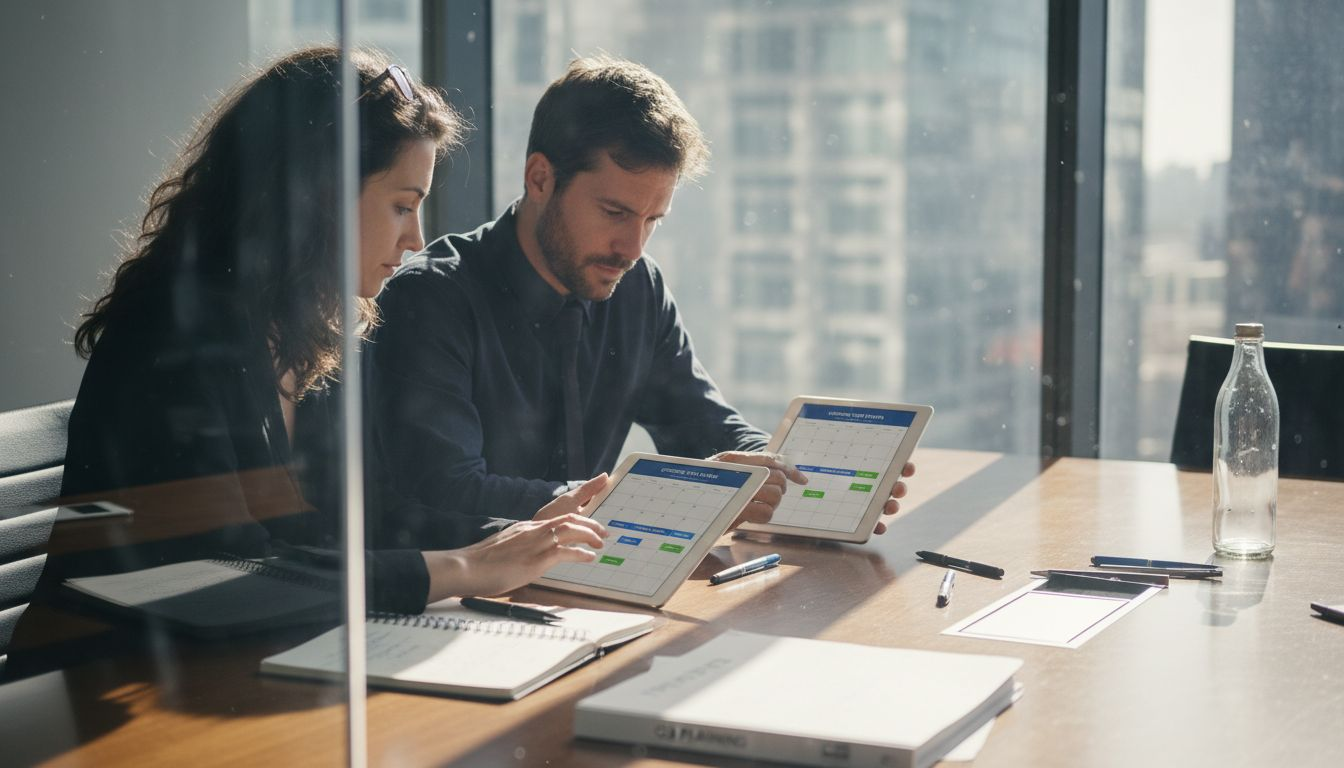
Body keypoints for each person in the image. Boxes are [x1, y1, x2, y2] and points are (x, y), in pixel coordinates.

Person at [60, 46, 609, 615]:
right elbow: (227, 573)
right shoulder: (172, 339)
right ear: (315, 199)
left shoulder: (308, 335)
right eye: (402, 206)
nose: (416, 240)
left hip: (247, 660)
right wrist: (466, 567)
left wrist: (518, 534)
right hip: (111, 668)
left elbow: (373, 514)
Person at [368, 55, 913, 549]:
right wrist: (676, 498)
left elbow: (708, 429)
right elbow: (446, 494)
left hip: (593, 587)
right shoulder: (430, 298)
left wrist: (788, 478)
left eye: (652, 220)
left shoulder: (637, 288)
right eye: (615, 213)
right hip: (463, 610)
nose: (632, 248)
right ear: (540, 179)